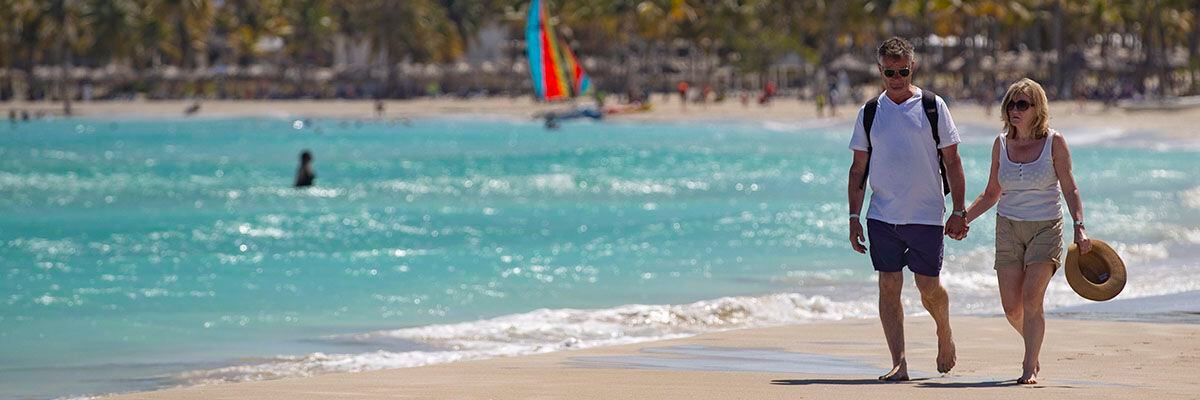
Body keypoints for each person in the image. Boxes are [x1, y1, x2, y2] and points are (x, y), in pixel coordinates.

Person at [847, 37, 966, 381]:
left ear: (912, 67)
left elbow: (953, 161)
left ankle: (944, 329)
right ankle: (899, 362)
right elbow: (858, 169)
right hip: (881, 215)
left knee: (928, 287)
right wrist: (854, 217)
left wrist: (958, 210)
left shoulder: (933, 106)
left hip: (926, 215)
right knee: (888, 284)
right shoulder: (870, 112)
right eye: (889, 72)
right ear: (880, 70)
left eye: (902, 71)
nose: (896, 78)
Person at [961, 78, 1092, 384]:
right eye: (1011, 104)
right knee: (1011, 308)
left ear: (1038, 109)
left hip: (1046, 227)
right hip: (1007, 227)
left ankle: (1028, 365)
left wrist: (1080, 226)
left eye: (1023, 104)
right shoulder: (1001, 143)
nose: (1014, 110)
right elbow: (992, 192)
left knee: (1032, 299)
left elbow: (1070, 187)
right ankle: (1033, 341)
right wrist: (962, 218)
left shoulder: (1054, 142)